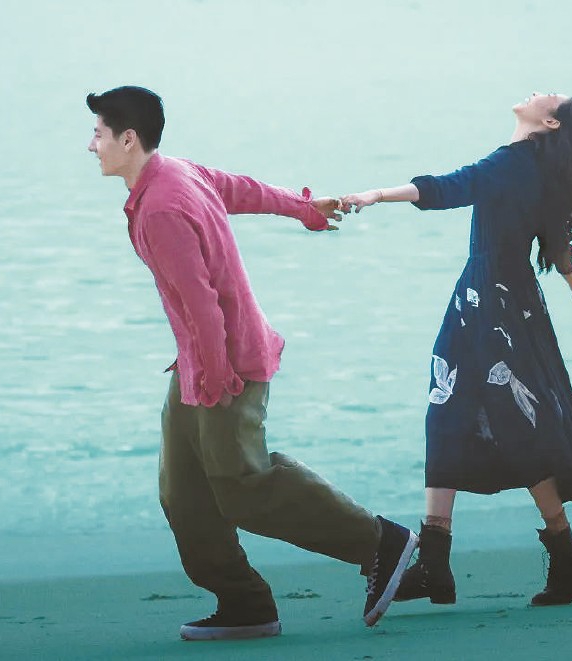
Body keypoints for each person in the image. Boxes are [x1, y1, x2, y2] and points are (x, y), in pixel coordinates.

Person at [85, 85, 417, 641]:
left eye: (97, 134)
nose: (90, 145)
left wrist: (216, 374)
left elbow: (202, 302)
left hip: (226, 363)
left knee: (243, 484)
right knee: (184, 492)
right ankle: (243, 603)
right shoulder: (174, 174)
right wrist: (304, 208)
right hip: (198, 360)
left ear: (128, 139)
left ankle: (381, 543)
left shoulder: (162, 206)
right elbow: (240, 189)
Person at [340, 92, 572, 608]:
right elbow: (557, 247)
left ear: (549, 121)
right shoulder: (541, 169)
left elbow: (449, 187)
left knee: (480, 415)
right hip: (506, 302)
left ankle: (554, 552)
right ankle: (446, 559)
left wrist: (375, 195)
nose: (537, 92)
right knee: (465, 412)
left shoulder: (510, 163)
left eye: (548, 97)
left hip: (488, 301)